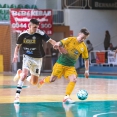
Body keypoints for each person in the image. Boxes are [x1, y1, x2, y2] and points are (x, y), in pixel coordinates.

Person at [12, 19, 62, 103]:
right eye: (34, 27)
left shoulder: (40, 33)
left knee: (34, 82)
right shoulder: (22, 35)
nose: (36, 29)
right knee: (24, 75)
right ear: (29, 26)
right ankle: (17, 96)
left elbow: (51, 40)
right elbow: (17, 46)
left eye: (37, 27)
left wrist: (58, 45)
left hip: (38, 59)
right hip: (27, 57)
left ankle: (19, 73)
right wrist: (15, 55)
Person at [38, 28, 90, 104]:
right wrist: (57, 45)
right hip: (60, 64)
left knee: (74, 80)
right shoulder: (70, 39)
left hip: (70, 67)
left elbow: (86, 59)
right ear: (79, 34)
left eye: (84, 39)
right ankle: (43, 80)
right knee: (52, 79)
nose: (83, 40)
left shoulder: (83, 47)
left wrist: (87, 70)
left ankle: (66, 97)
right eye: (82, 37)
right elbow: (60, 43)